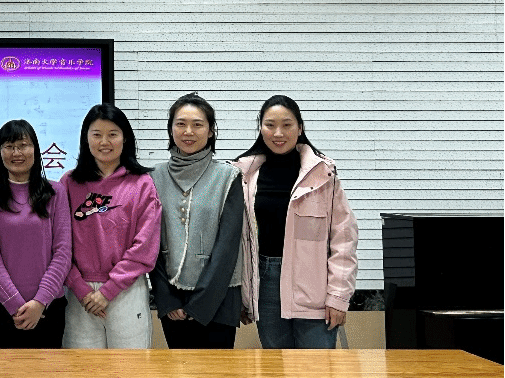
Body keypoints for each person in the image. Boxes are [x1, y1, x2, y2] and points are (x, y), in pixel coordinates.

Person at [234, 95, 357, 349]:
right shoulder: (245, 176)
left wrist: (338, 296)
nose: (278, 133)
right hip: (265, 284)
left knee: (315, 368)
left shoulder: (323, 174)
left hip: (315, 288)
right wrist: (244, 296)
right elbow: (240, 242)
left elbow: (344, 239)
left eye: (287, 125)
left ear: (300, 128)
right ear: (260, 127)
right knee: (276, 366)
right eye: (270, 125)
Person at [60, 103, 161, 349]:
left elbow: (145, 246)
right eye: (97, 134)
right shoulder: (69, 183)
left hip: (127, 290)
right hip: (80, 294)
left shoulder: (142, 184)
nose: (104, 142)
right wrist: (81, 289)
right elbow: (58, 244)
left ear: (125, 138)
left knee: (130, 368)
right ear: (86, 138)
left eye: (112, 134)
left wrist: (108, 291)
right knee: (83, 369)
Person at [149, 93, 244, 349]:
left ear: (211, 131)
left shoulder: (228, 176)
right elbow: (149, 243)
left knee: (216, 372)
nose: (188, 131)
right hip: (172, 299)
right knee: (178, 372)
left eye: (198, 124)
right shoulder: (154, 176)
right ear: (170, 129)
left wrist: (200, 305)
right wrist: (167, 299)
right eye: (180, 124)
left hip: (218, 300)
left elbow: (227, 248)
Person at [0, 119, 71, 348]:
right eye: (9, 147)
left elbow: (63, 252)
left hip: (48, 308)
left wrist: (40, 301)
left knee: (46, 371)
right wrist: (14, 303)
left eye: (23, 145)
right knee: (2, 372)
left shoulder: (55, 192)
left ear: (35, 149)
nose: (16, 153)